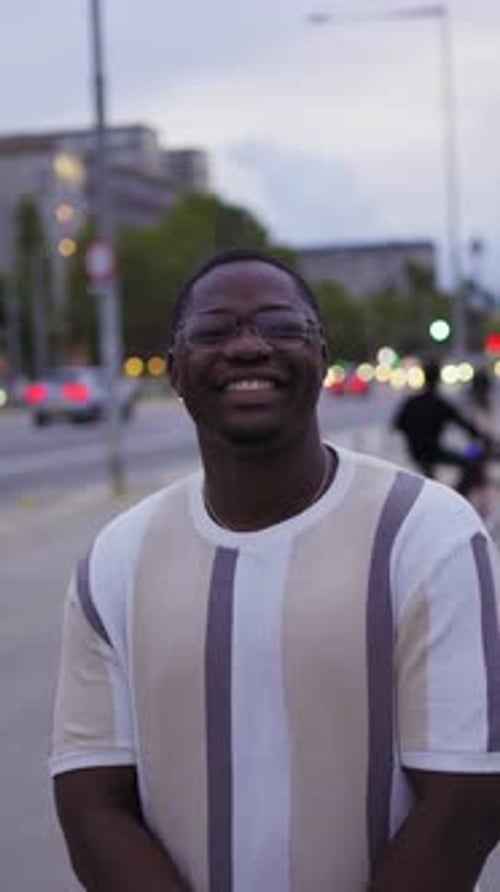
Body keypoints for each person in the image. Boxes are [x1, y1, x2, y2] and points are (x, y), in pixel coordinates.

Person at [50, 249, 500, 892]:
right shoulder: (115, 562)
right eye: (212, 331)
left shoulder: (431, 536)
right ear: (175, 370)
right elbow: (92, 805)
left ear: (321, 356)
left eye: (281, 326)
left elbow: (466, 805)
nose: (248, 347)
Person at [393, 358, 492, 496]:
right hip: (433, 452)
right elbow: (463, 423)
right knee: (470, 465)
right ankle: (457, 498)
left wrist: (413, 433)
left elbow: (397, 425)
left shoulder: (412, 402)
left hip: (415, 451)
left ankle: (439, 500)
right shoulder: (439, 403)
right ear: (438, 379)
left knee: (430, 483)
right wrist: (483, 437)